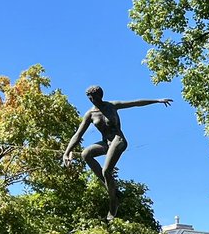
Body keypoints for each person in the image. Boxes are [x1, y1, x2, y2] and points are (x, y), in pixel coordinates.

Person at [62, 85, 172, 219]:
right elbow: (78, 134)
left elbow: (136, 103)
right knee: (86, 154)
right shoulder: (90, 114)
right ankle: (113, 190)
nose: (92, 100)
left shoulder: (112, 106)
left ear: (100, 96)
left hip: (118, 140)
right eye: (90, 98)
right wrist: (67, 152)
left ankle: (114, 203)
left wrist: (157, 100)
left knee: (106, 170)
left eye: (94, 97)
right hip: (106, 143)